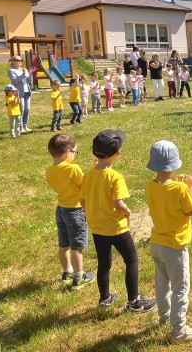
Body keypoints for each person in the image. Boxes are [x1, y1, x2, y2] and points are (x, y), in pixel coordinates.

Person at [80, 129, 157, 312]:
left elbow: (83, 201)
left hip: (97, 228)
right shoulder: (115, 177)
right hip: (116, 228)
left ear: (93, 151)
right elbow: (118, 204)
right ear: (117, 154)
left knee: (104, 264)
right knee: (131, 260)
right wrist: (128, 212)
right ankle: (134, 302)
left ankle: (105, 298)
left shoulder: (88, 175)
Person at [144, 140, 192, 342]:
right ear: (173, 164)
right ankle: (179, 330)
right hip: (175, 246)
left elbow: (165, 195)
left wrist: (181, 185)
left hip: (157, 243)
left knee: (162, 283)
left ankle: (164, 317)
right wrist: (191, 187)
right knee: (180, 288)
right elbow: (191, 209)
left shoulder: (150, 186)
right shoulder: (180, 189)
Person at [46, 134, 95, 290]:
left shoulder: (49, 171)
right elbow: (85, 184)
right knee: (76, 245)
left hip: (61, 210)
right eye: (75, 151)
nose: (75, 155)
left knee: (64, 243)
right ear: (67, 153)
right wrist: (93, 171)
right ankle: (79, 276)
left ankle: (67, 272)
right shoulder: (73, 168)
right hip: (75, 211)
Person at [7, 55, 35, 133]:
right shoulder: (11, 70)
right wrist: (23, 74)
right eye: (17, 60)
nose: (20, 62)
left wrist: (30, 73)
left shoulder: (24, 69)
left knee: (27, 110)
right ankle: (20, 127)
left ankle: (25, 126)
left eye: (21, 60)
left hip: (27, 92)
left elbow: (29, 81)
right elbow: (15, 81)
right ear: (12, 61)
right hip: (19, 93)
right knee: (21, 110)